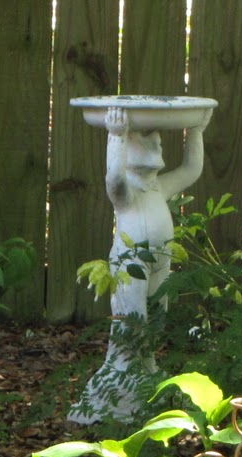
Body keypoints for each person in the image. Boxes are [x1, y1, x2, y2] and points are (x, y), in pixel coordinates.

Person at [71, 104, 209, 424]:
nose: (157, 140)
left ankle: (147, 371)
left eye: (155, 137)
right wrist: (116, 136)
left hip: (160, 260)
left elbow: (192, 170)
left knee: (156, 318)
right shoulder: (127, 190)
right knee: (132, 321)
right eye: (145, 137)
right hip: (131, 262)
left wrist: (197, 132)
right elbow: (113, 179)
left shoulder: (159, 186)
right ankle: (121, 380)